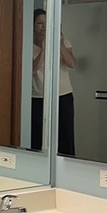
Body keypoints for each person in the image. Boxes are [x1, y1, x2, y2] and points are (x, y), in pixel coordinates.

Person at [31, 9, 77, 154]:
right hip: (38, 96)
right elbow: (31, 71)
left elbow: (72, 63)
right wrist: (44, 50)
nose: (43, 27)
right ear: (33, 26)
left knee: (65, 136)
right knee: (37, 137)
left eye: (47, 23)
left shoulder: (64, 42)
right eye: (39, 23)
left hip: (62, 95)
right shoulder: (28, 45)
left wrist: (59, 44)